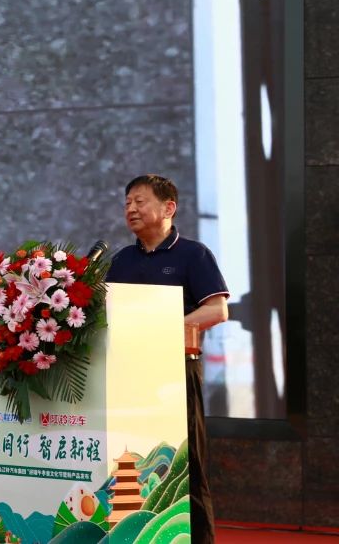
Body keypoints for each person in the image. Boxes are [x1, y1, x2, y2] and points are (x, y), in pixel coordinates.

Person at [104, 174, 228, 544]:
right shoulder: (121, 260)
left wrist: (163, 328)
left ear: (168, 207)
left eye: (139, 201)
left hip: (176, 371)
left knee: (187, 467)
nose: (131, 209)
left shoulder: (193, 254)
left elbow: (217, 310)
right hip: (129, 375)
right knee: (134, 461)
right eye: (127, 203)